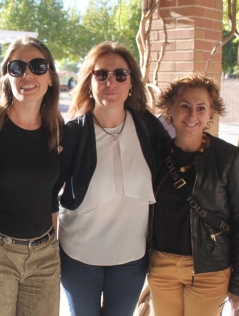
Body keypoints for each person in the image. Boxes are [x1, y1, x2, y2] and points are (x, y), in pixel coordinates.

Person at [53, 41, 171, 316]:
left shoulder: (146, 127)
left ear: (131, 82)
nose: (111, 82)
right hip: (79, 255)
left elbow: (178, 161)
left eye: (120, 74)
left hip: (131, 257)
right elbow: (47, 188)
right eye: (101, 74)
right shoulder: (73, 133)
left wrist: (231, 166)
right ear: (89, 82)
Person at [0, 37, 63, 316]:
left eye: (38, 66)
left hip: (44, 256)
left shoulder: (57, 129)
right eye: (17, 67)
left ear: (51, 77)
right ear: (7, 75)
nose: (27, 74)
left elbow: (51, 195)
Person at [148, 73, 239, 315]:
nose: (192, 115)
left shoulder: (230, 159)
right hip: (161, 266)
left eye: (201, 108)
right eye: (184, 106)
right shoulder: (154, 156)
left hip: (210, 270)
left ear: (210, 113)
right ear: (170, 110)